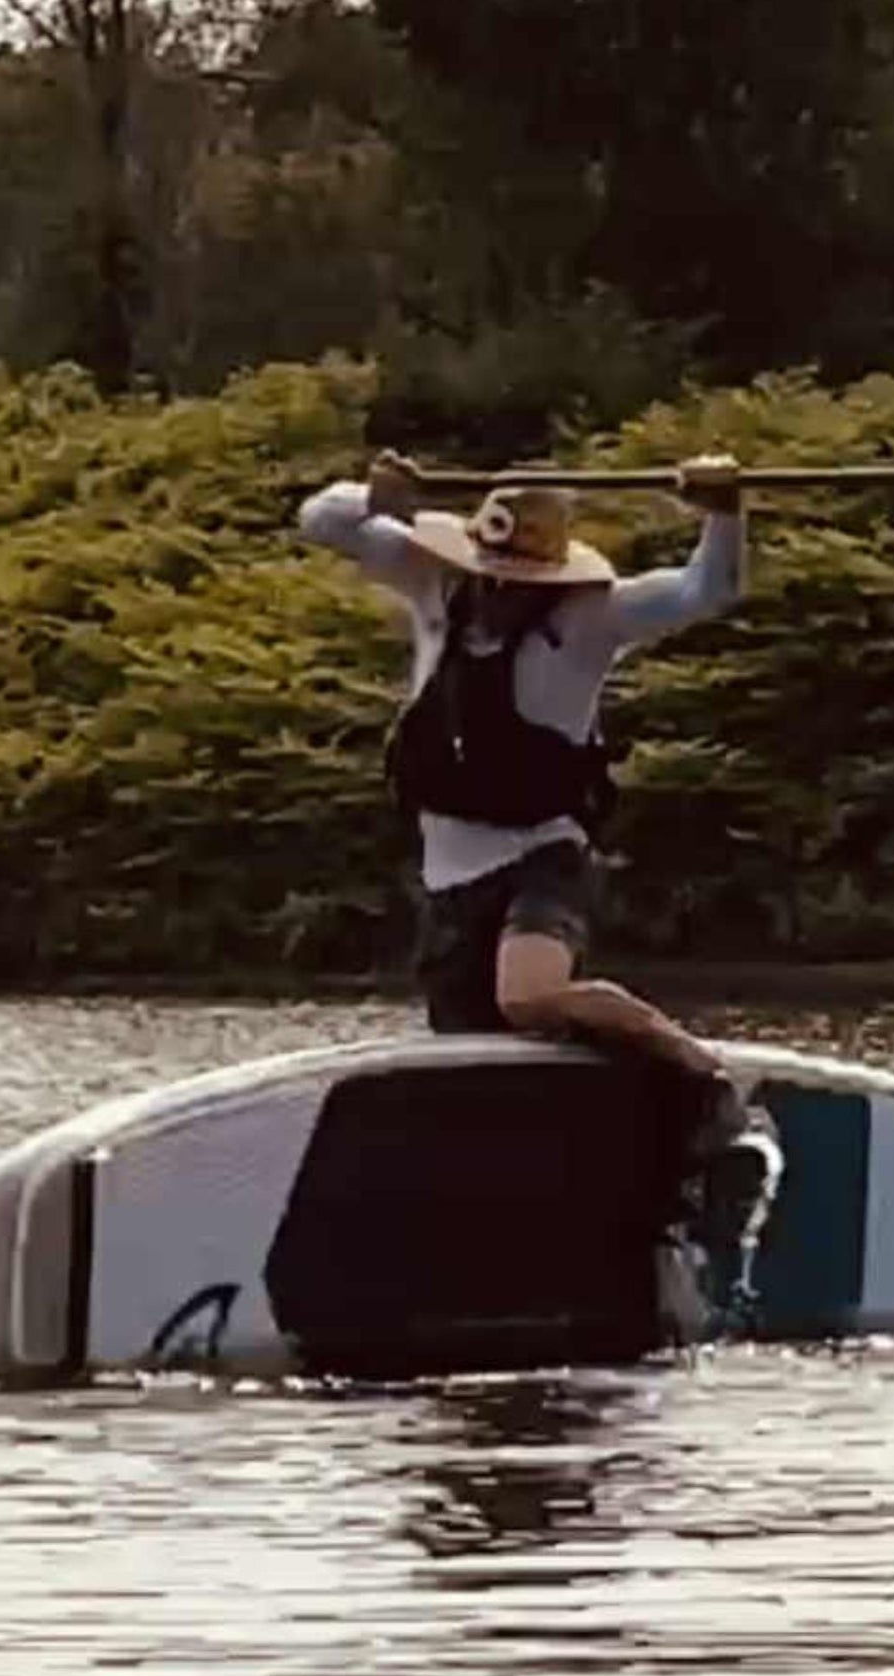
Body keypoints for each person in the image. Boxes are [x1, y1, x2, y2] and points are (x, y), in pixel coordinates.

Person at [297, 447, 778, 1191]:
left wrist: (723, 512)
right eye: (490, 571)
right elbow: (319, 519)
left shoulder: (591, 618)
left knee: (527, 996)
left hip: (544, 855)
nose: (498, 589)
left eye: (518, 579)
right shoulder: (434, 582)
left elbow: (707, 589)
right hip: (450, 878)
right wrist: (378, 497)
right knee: (475, 1059)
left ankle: (710, 1082)